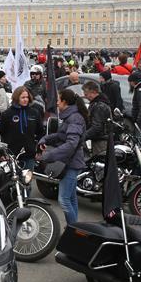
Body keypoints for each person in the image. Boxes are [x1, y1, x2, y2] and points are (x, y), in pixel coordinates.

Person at [38, 89, 87, 224]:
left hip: (72, 163)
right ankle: (76, 228)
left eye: (59, 100)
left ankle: (72, 230)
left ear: (65, 101)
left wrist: (49, 155)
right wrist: (45, 139)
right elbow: (61, 135)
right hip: (70, 162)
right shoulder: (70, 117)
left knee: (64, 200)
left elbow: (71, 144)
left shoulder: (74, 118)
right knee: (71, 198)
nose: (57, 103)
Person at [0, 86, 43, 169]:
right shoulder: (7, 114)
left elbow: (40, 133)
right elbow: (0, 134)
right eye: (23, 97)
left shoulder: (34, 113)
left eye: (27, 97)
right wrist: (1, 153)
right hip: (10, 155)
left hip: (29, 154)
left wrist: (39, 151)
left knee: (26, 180)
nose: (25, 99)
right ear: (16, 98)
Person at [81, 81, 112, 159]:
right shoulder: (99, 103)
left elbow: (97, 127)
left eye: (86, 94)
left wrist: (83, 137)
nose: (85, 97)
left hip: (101, 141)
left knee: (100, 163)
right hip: (100, 139)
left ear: (93, 92)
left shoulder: (99, 106)